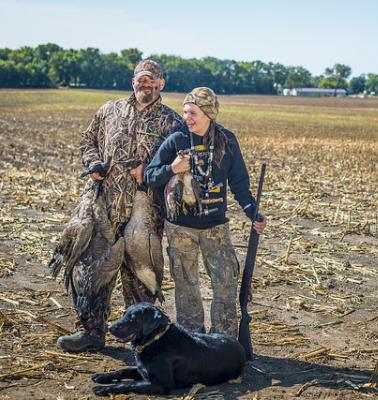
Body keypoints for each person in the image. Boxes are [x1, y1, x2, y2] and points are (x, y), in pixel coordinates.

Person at [56, 59, 186, 352]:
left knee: (141, 277)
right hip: (103, 206)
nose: (146, 84)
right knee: (90, 271)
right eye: (141, 79)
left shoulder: (172, 122)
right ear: (133, 82)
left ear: (161, 84)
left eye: (152, 79)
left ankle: (142, 341)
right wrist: (93, 165)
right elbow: (87, 140)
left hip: (145, 211)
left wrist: (156, 174)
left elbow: (180, 168)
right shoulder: (109, 110)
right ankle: (90, 333)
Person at [144, 87, 267, 338]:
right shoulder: (176, 140)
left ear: (209, 114)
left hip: (215, 228)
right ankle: (193, 340)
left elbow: (240, 184)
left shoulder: (227, 140)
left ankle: (224, 342)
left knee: (225, 284)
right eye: (185, 112)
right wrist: (173, 168)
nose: (186, 118)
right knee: (186, 286)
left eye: (192, 113)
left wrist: (252, 212)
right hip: (180, 228)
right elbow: (150, 176)